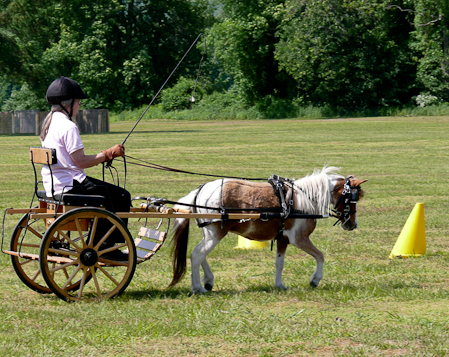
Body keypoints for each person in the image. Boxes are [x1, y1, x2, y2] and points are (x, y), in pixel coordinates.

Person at [40, 76, 130, 260]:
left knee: (108, 193)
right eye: (78, 101)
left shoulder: (47, 123)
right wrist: (108, 154)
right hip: (71, 183)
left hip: (53, 182)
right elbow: (81, 162)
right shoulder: (68, 126)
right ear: (68, 103)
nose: (80, 105)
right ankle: (107, 247)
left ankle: (101, 241)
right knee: (121, 196)